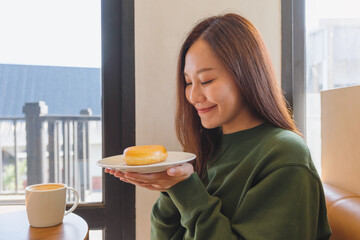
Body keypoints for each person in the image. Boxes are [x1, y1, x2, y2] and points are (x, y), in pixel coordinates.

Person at [105, 13, 332, 240]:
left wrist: (185, 188)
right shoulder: (209, 146)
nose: (193, 96)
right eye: (188, 82)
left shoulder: (285, 156)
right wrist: (170, 188)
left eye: (206, 81)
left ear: (247, 76)